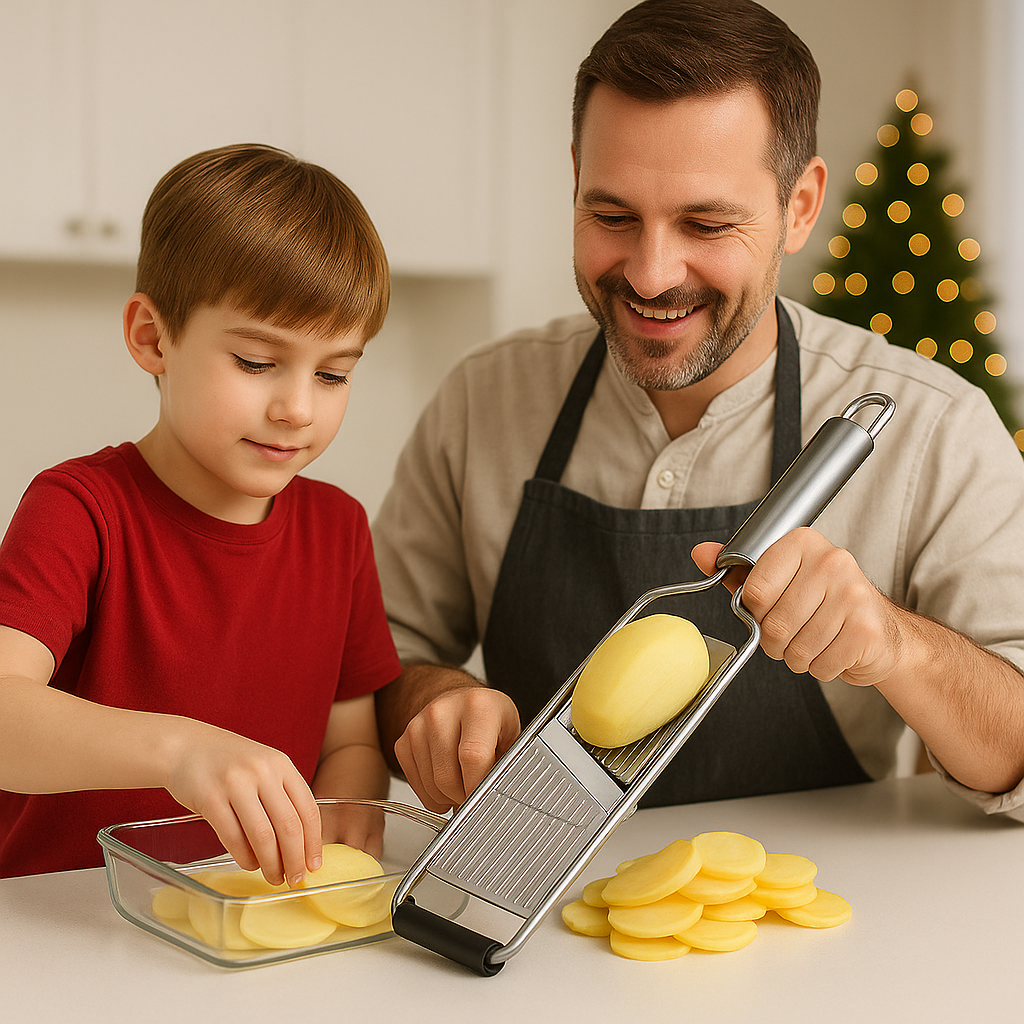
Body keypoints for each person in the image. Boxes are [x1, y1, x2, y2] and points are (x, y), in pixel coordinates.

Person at [373, 0, 1024, 817]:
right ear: (574, 179)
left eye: (707, 223)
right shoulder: (483, 400)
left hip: (812, 897)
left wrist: (901, 648)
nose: (651, 274)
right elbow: (377, 661)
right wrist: (433, 701)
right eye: (612, 216)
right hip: (536, 883)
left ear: (800, 206)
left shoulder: (936, 430)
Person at [1, 144, 403, 881]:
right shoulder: (80, 509)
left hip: (232, 916)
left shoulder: (339, 530)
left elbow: (351, 739)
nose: (297, 408)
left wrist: (344, 807)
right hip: (55, 915)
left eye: (333, 373)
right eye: (257, 363)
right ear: (152, 338)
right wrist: (181, 750)